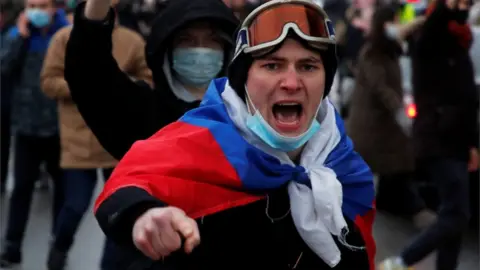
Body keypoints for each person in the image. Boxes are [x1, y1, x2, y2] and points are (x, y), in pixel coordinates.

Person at [94, 1, 376, 269]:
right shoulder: (200, 139)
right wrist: (144, 214)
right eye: (272, 65)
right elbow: (128, 183)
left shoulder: (346, 167)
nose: (291, 83)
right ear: (244, 80)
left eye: (308, 66)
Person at [40, 0, 151, 269]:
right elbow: (48, 81)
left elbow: (148, 79)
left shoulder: (132, 41)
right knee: (75, 204)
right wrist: (84, 86)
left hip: (119, 141)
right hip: (78, 138)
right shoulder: (63, 38)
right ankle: (60, 245)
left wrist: (121, 88)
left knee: (119, 211)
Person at [63, 0, 238, 161]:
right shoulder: (143, 113)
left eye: (213, 40)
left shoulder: (247, 113)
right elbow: (90, 74)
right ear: (166, 50)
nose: (201, 50)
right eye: (186, 40)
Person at [379, 0, 479, 269]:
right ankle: (401, 261)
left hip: (456, 140)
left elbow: (467, 99)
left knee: (455, 212)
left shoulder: (457, 45)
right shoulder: (430, 41)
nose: (464, 8)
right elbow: (439, 20)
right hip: (439, 137)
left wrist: (471, 145)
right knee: (457, 214)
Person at [347, 5, 435, 228]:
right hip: (373, 126)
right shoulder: (373, 52)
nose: (398, 27)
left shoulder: (390, 49)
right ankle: (416, 209)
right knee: (396, 166)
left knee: (396, 166)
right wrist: (398, 109)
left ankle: (392, 204)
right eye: (394, 21)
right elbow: (381, 87)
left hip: (384, 125)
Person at [0, 0, 70, 267]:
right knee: (21, 190)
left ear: (54, 8)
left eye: (41, 5)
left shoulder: (65, 34)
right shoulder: (18, 35)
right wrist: (20, 36)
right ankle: (12, 247)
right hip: (27, 128)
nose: (36, 10)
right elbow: (4, 67)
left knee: (61, 191)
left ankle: (58, 244)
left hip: (59, 127)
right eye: (31, 5)